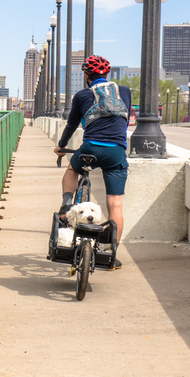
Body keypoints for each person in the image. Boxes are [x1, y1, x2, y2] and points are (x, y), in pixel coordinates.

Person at [53, 54, 131, 248]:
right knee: (115, 204)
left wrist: (61, 146)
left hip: (91, 148)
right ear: (108, 73)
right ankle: (111, 252)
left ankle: (67, 203)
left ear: (87, 76)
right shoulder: (125, 92)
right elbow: (125, 120)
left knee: (72, 169)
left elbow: (71, 125)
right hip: (116, 152)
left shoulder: (82, 95)